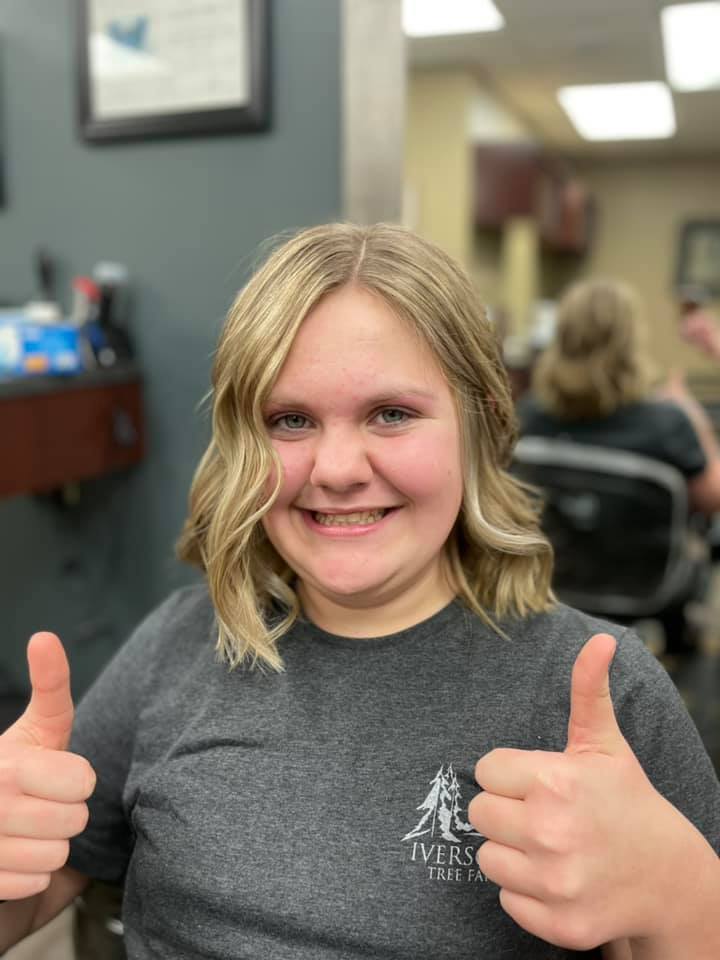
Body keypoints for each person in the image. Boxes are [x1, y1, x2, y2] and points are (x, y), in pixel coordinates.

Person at [0, 224, 718, 960]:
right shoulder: (177, 646)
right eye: (290, 420)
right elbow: (26, 905)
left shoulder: (599, 692)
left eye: (392, 414)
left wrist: (682, 894)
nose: (337, 469)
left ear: (479, 422)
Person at [518, 278, 720, 517]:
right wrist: (692, 414)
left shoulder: (530, 416)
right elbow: (714, 498)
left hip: (545, 543)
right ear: (632, 341)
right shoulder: (667, 426)